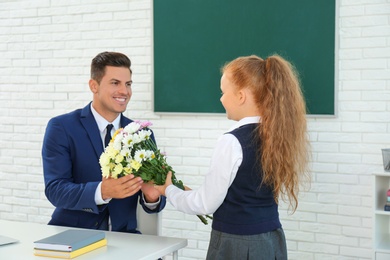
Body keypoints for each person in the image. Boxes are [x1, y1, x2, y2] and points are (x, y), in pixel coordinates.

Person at [155, 54, 310, 259]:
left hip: (237, 243)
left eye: (223, 91)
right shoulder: (276, 135)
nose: (220, 98)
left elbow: (205, 204)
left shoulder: (231, 141)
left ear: (241, 96)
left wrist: (168, 191)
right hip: (271, 240)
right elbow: (243, 193)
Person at [42, 51, 165, 233]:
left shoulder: (142, 134)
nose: (124, 91)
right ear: (94, 85)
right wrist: (102, 191)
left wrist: (152, 197)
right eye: (115, 83)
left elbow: (154, 200)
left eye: (128, 84)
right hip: (73, 235)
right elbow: (55, 190)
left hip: (126, 239)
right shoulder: (62, 127)